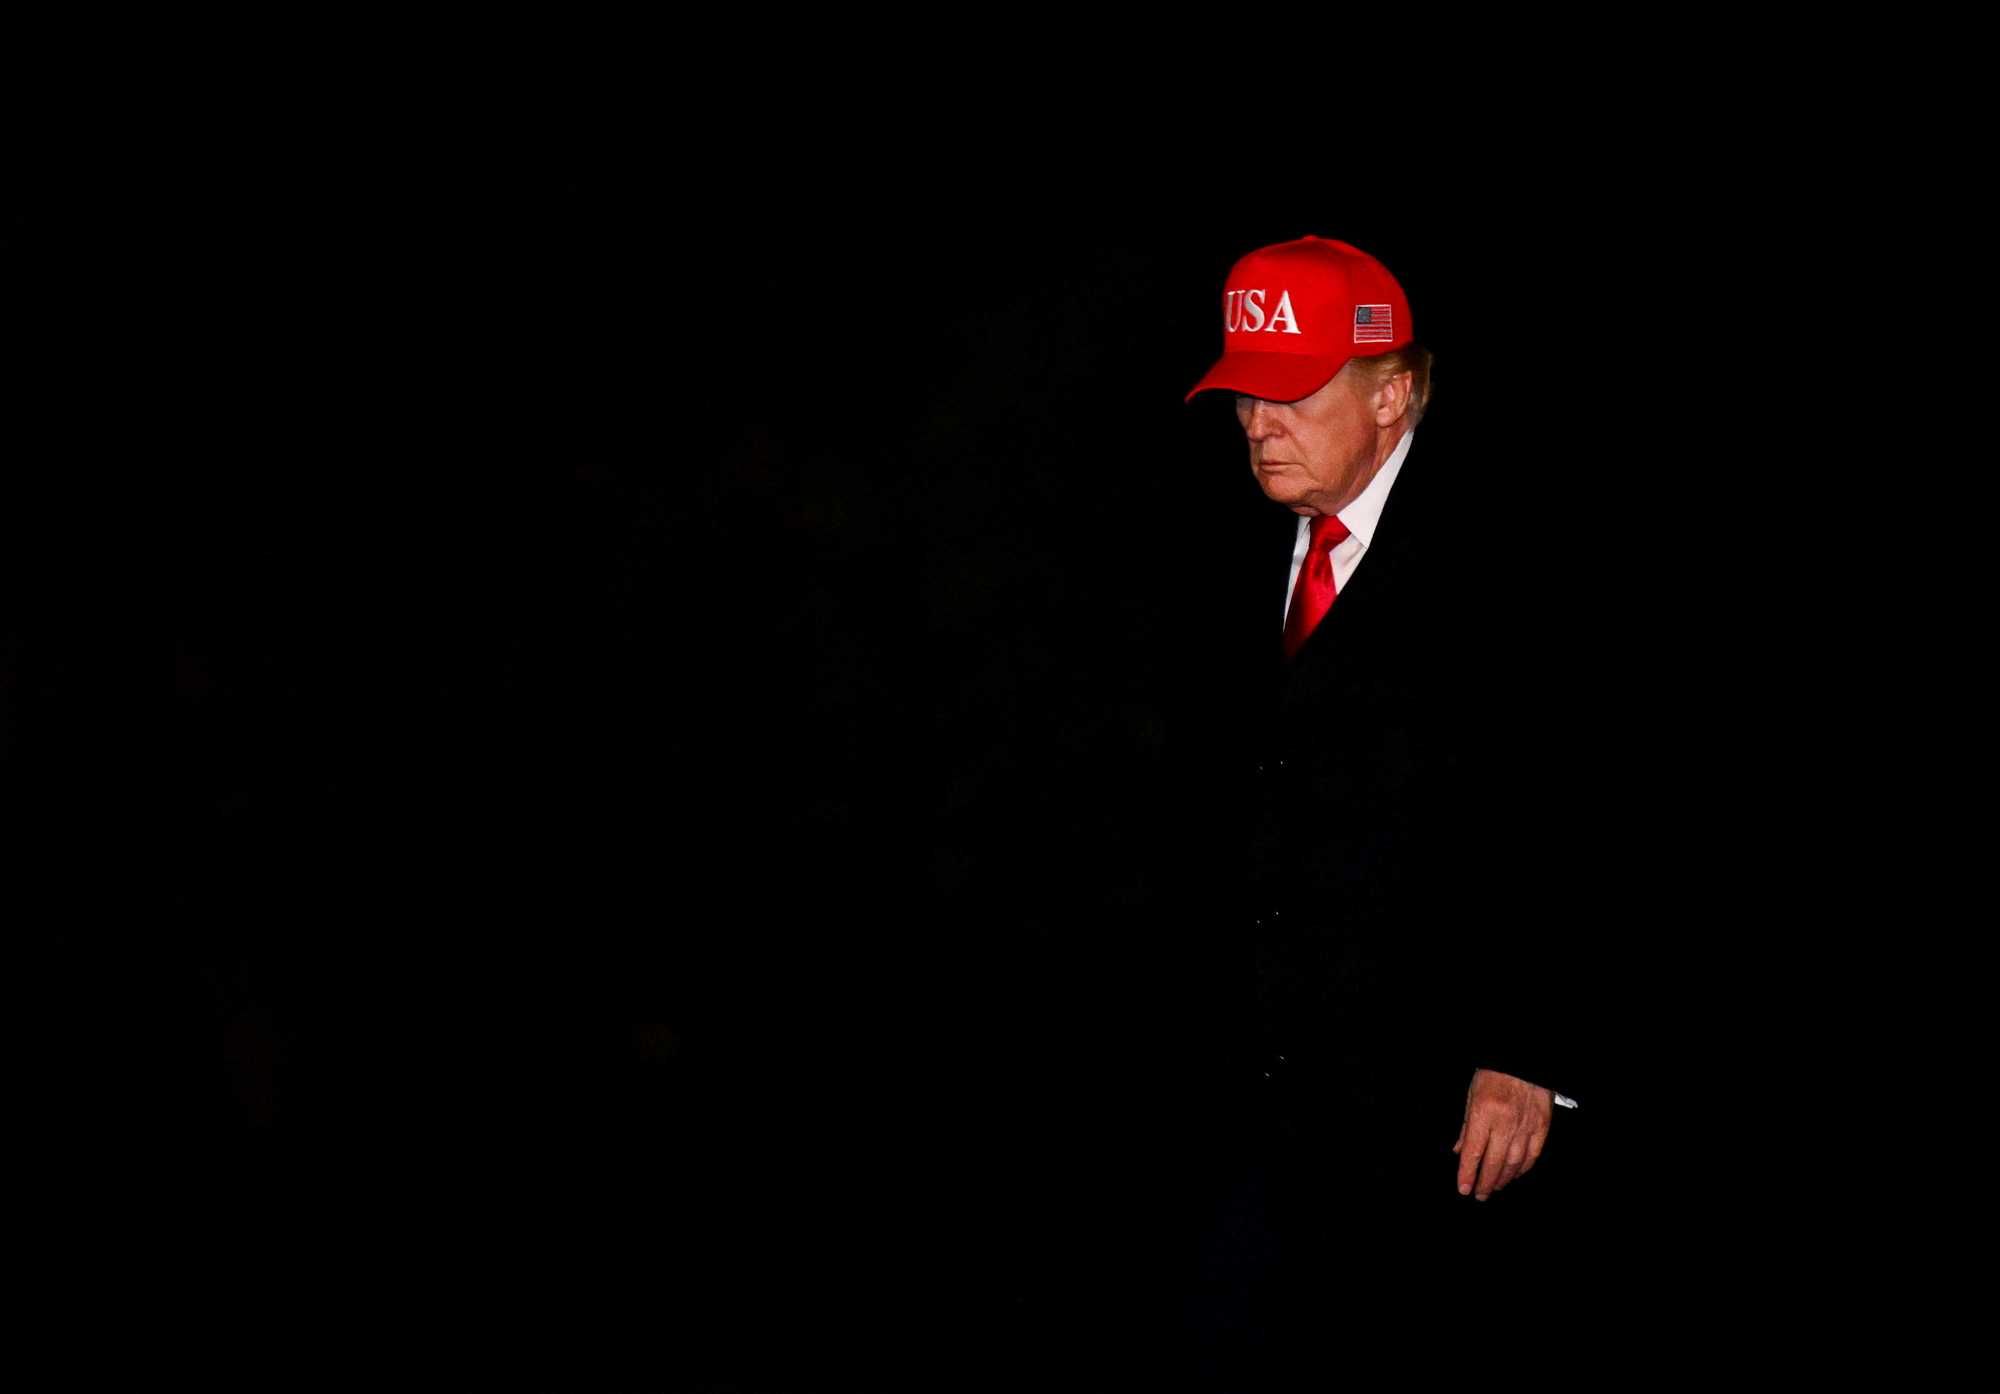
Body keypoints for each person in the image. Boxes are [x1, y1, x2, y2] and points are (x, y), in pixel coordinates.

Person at [1178, 235, 1592, 1369]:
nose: (1257, 423)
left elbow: (1567, 814)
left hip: (1436, 1127)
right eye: (1242, 394)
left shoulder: (1512, 564)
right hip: (1251, 1113)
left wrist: (1525, 1049)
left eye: (1290, 392)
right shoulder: (1226, 544)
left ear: (1392, 393)